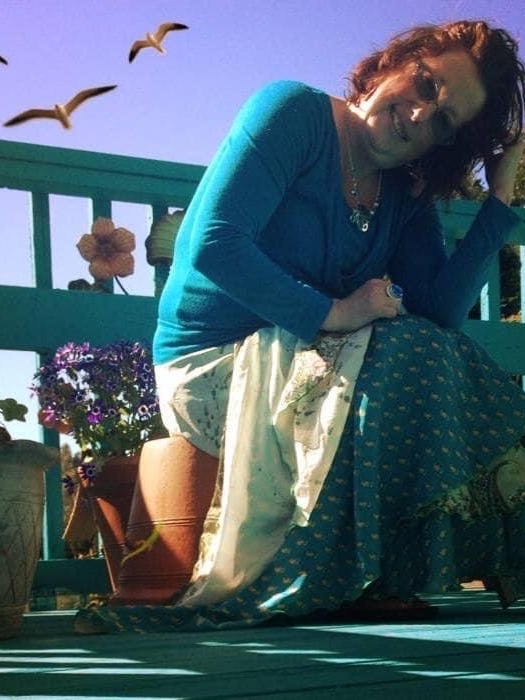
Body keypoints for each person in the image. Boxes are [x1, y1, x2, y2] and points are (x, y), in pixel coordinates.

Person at [75, 19, 525, 634]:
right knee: (402, 351)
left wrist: (499, 200)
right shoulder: (294, 113)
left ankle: (367, 574)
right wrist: (334, 313)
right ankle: (323, 576)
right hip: (211, 363)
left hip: (307, 361)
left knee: (433, 350)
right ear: (395, 61)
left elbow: (442, 312)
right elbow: (213, 244)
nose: (421, 115)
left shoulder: (405, 190)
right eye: (425, 84)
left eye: (444, 122)